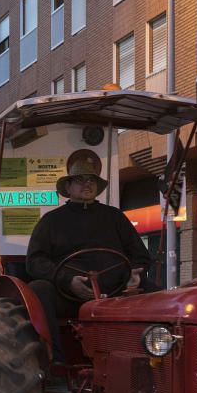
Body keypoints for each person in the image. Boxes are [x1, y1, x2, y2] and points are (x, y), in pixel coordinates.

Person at [26, 149, 153, 364]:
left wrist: (135, 273)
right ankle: (54, 359)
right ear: (68, 187)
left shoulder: (115, 217)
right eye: (80, 180)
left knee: (156, 292)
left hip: (117, 293)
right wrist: (67, 280)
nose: (87, 184)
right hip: (68, 297)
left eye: (92, 180)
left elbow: (140, 256)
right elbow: (35, 261)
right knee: (39, 289)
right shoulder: (51, 221)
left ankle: (156, 357)